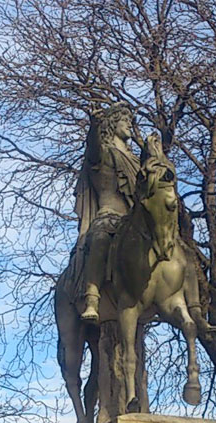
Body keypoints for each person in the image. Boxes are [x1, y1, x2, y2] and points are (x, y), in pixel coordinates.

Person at [71, 102, 141, 323]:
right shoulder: (103, 153)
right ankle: (92, 298)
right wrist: (94, 126)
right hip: (108, 216)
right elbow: (92, 149)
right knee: (100, 239)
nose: (129, 126)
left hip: (135, 221)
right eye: (125, 121)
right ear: (112, 124)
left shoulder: (136, 161)